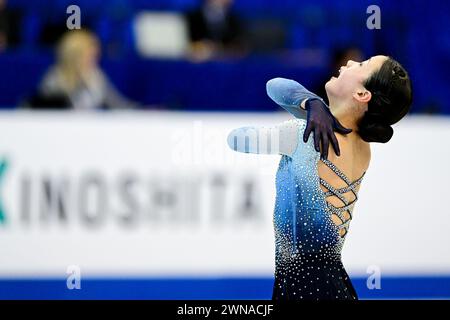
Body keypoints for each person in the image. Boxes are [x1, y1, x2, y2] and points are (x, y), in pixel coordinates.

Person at [227, 55, 412, 300]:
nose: (350, 62)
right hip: (331, 284)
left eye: (362, 65)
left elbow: (237, 138)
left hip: (304, 289)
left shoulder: (304, 136)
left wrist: (309, 104)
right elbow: (275, 86)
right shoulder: (362, 147)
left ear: (361, 94)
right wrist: (312, 103)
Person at [31, 29, 138, 110]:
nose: (95, 58)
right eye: (90, 55)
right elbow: (43, 110)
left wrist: (140, 110)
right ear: (75, 55)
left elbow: (116, 103)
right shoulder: (54, 78)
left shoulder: (95, 76)